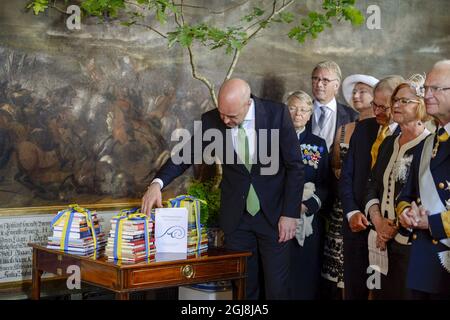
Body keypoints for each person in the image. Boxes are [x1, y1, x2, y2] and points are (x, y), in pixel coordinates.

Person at [141, 78, 304, 300]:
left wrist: (289, 213)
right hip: (237, 221)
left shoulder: (277, 114)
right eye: (222, 113)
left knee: (277, 289)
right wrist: (156, 184)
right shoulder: (211, 120)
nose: (225, 120)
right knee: (243, 290)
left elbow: (295, 167)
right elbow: (184, 155)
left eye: (232, 116)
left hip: (275, 218)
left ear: (248, 103)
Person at [365, 75, 431, 299]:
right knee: (378, 293)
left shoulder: (429, 146)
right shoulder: (387, 143)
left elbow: (424, 196)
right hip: (379, 241)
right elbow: (372, 184)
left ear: (421, 105)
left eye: (405, 101)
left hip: (410, 244)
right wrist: (378, 222)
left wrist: (392, 227)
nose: (396, 105)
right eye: (395, 100)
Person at [339, 75, 404, 299]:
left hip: (387, 233)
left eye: (382, 107)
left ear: (397, 104)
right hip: (356, 227)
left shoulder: (408, 136)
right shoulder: (363, 129)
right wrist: (352, 212)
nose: (376, 111)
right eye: (373, 104)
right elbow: (346, 176)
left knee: (378, 290)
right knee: (355, 290)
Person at [321, 74, 378, 298]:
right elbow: (335, 163)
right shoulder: (344, 129)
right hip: (343, 207)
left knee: (372, 272)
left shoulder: (384, 130)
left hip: (371, 205)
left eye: (362, 91)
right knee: (343, 272)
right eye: (354, 92)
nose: (356, 95)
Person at [397, 60, 450, 299]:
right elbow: (407, 194)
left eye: (435, 89)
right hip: (423, 261)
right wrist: (406, 212)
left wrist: (433, 223)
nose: (426, 95)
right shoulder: (429, 143)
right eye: (425, 89)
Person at [286, 91, 329, 299]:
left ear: (310, 114)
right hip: (279, 216)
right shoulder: (272, 140)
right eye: (293, 108)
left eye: (303, 110)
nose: (297, 114)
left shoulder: (318, 144)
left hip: (307, 217)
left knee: (305, 276)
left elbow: (326, 183)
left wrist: (307, 205)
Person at [306, 60, 359, 152]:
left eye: (325, 80)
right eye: (315, 78)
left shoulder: (352, 117)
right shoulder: (299, 111)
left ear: (336, 85)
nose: (319, 84)